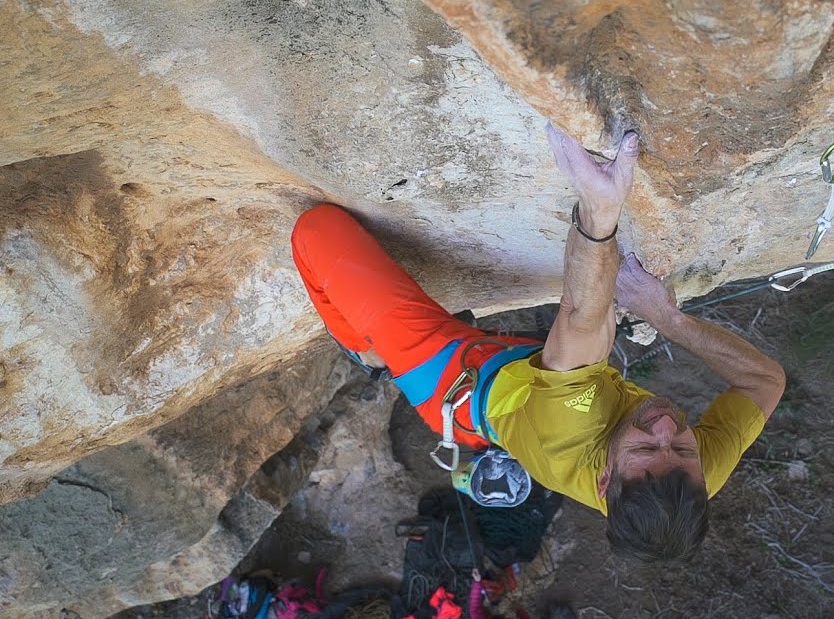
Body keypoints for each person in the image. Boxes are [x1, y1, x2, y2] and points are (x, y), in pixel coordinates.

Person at [289, 123, 785, 563]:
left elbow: (583, 318)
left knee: (318, 232)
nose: (665, 425)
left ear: (604, 481)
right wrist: (668, 317)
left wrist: (599, 210)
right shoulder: (694, 476)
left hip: (456, 381)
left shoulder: (570, 428)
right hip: (526, 378)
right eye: (682, 444)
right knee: (558, 358)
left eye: (643, 446)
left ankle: (367, 350)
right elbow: (765, 381)